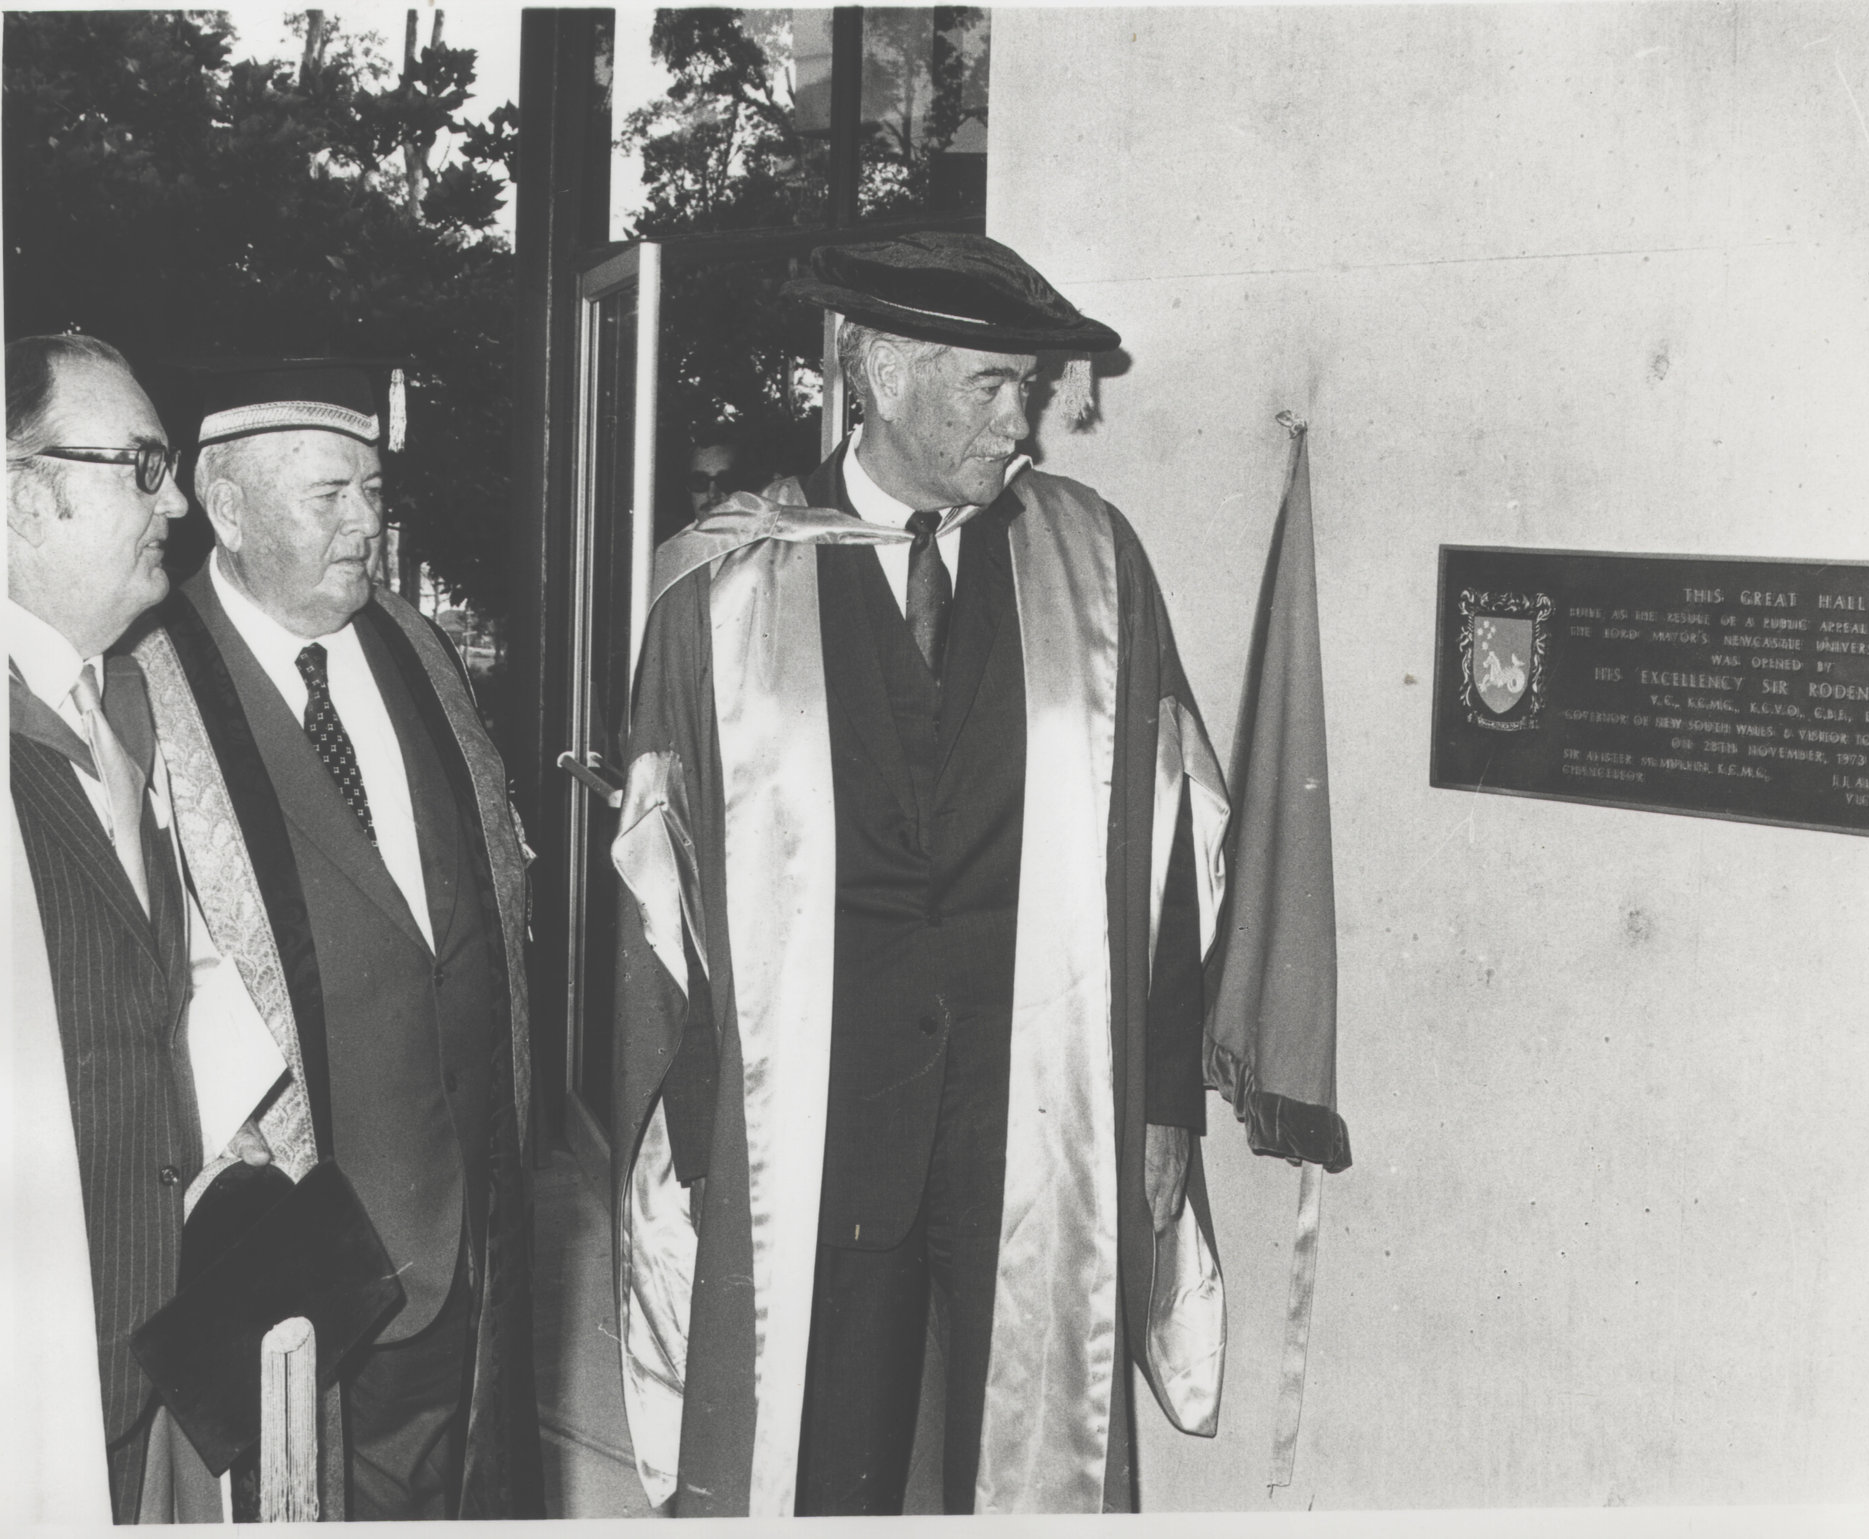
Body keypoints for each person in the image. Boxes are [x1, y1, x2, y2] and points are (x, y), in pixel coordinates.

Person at [611, 231, 1231, 1517]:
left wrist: (1164, 1102)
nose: (1025, 429)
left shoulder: (1096, 564)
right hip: (809, 1118)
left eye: (1032, 392)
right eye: (993, 389)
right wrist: (688, 1126)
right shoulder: (720, 586)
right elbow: (656, 897)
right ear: (880, 374)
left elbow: (1176, 852)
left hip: (1045, 1105)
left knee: (1023, 1460)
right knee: (814, 1462)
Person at [129, 359, 544, 1520]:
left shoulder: (416, 647)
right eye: (329, 496)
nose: (367, 522)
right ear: (230, 506)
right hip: (302, 1235)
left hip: (471, 1205)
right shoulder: (145, 685)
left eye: (372, 490)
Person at [5, 333, 286, 1521]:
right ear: (27, 494)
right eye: (142, 464)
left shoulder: (122, 700)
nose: (175, 500)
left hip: (148, 1347)